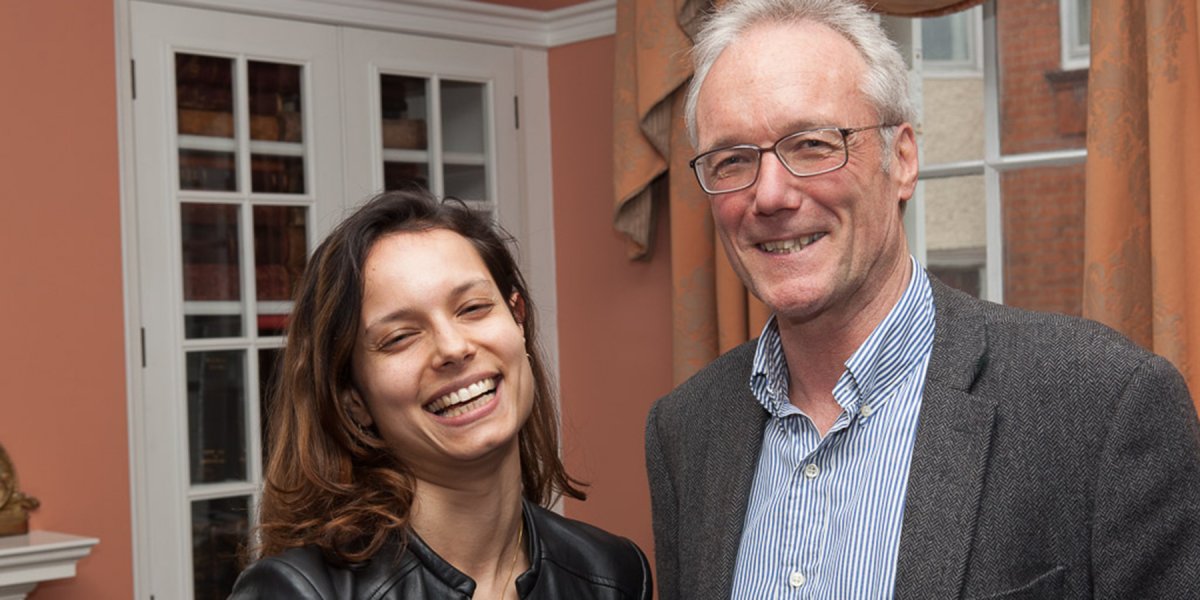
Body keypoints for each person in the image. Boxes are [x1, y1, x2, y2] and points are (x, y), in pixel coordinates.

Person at [645, 0, 1200, 598]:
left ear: (902, 159)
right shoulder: (685, 431)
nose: (771, 195)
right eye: (734, 160)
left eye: (811, 144)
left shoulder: (1103, 403)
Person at [231, 189, 651, 599]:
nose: (452, 348)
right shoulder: (298, 592)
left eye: (472, 308)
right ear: (352, 399)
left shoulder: (612, 575)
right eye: (399, 337)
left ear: (518, 319)